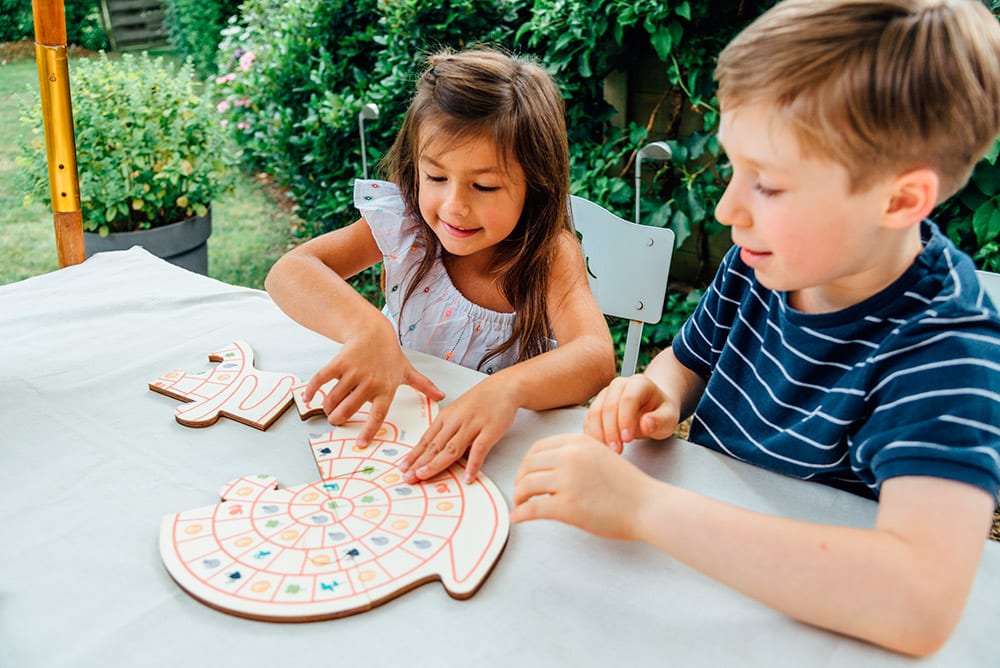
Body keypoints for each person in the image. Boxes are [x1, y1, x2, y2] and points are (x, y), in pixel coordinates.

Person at [511, 0, 1000, 656]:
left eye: (766, 185)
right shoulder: (763, 262)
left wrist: (643, 509)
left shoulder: (948, 354)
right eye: (734, 168)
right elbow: (686, 365)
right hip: (686, 583)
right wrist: (657, 391)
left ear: (899, 199)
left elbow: (917, 604)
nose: (726, 209)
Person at [265, 47, 615, 485]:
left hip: (497, 461)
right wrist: (367, 330)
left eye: (484, 185)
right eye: (436, 177)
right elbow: (290, 271)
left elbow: (596, 357)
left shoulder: (548, 255)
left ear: (536, 185)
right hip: (396, 437)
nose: (455, 207)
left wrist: (506, 389)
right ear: (415, 169)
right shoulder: (408, 221)